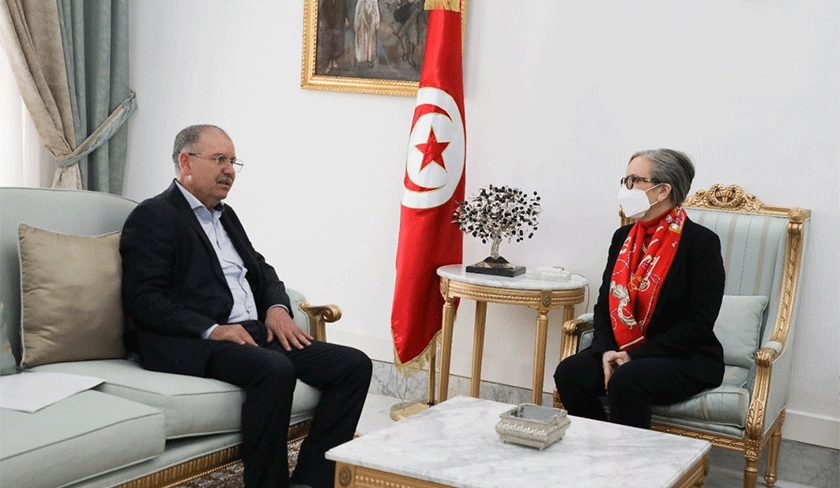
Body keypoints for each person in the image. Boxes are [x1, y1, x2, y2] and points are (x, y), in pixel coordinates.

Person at [120, 124, 372, 488]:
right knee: (274, 369)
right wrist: (213, 329)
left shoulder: (226, 215)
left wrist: (277, 309)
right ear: (186, 162)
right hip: (191, 339)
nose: (229, 171)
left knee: (353, 365)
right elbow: (143, 300)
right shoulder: (154, 216)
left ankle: (312, 480)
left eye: (233, 161)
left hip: (248, 331)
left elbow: (262, 270)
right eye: (219, 159)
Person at [554, 148, 725, 429]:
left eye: (635, 180)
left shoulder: (701, 243)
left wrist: (634, 355)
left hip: (683, 356)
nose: (627, 188)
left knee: (628, 378)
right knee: (570, 373)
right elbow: (604, 305)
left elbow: (699, 323)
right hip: (621, 348)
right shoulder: (623, 237)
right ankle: (596, 451)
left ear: (663, 191)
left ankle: (631, 467)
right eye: (625, 180)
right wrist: (608, 349)